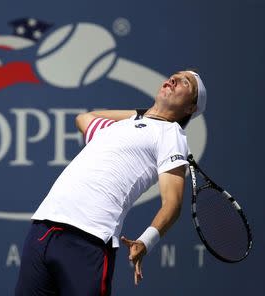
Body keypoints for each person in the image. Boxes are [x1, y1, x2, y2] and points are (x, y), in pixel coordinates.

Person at [15, 70, 207, 295]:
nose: (173, 79)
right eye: (174, 76)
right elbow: (85, 118)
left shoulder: (171, 134)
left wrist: (146, 241)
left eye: (185, 82)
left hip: (89, 239)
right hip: (44, 228)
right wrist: (144, 115)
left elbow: (172, 204)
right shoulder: (117, 127)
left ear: (190, 108)